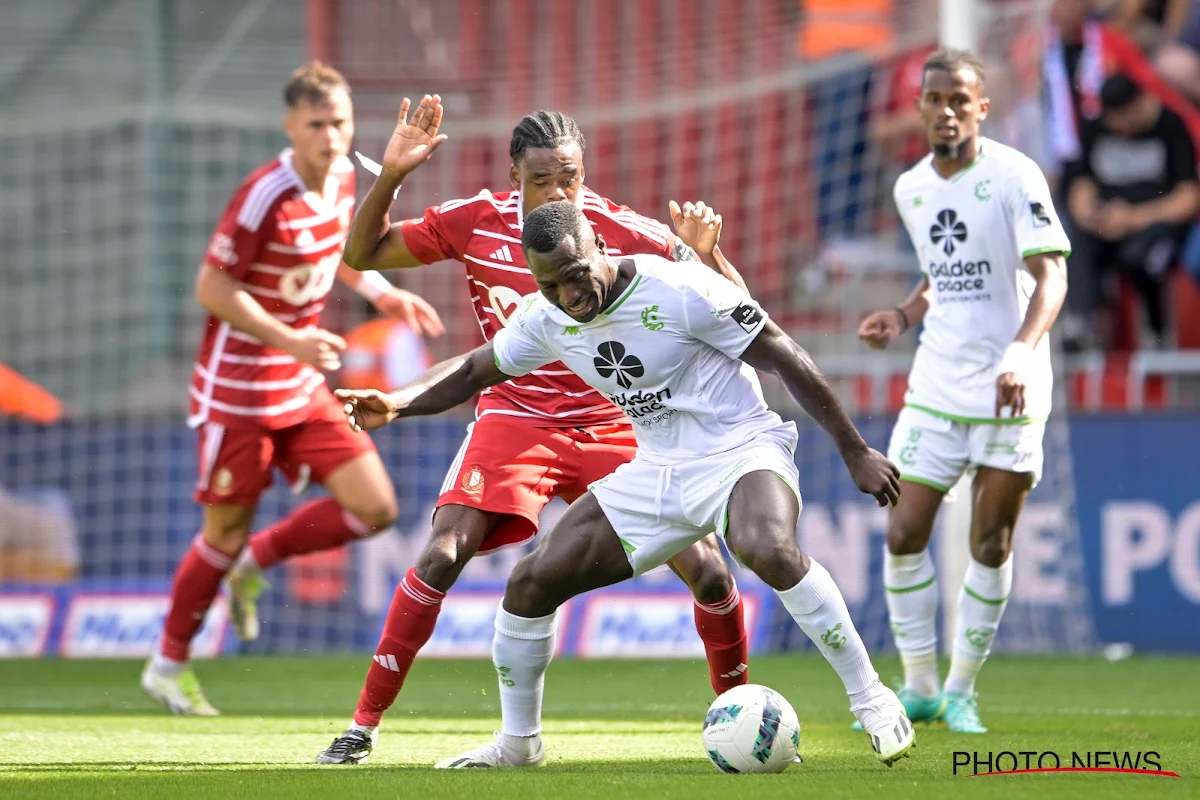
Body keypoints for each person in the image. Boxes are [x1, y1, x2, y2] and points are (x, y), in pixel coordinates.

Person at [338, 201, 915, 768]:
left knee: (766, 547)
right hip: (656, 469)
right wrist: (397, 403)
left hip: (739, 447)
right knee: (530, 585)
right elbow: (471, 371)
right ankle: (519, 744)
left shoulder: (681, 287)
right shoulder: (549, 319)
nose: (569, 296)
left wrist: (856, 450)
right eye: (549, 286)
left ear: (599, 246)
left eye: (574, 275)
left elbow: (784, 354)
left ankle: (872, 700)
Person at [314, 97, 754, 765]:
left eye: (569, 178)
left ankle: (742, 719)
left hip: (617, 419)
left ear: (585, 173)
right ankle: (362, 727)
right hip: (514, 417)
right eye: (542, 180)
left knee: (711, 573)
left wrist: (709, 255)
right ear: (513, 176)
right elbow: (362, 251)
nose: (558, 192)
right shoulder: (476, 224)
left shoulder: (616, 229)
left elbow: (738, 310)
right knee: (441, 554)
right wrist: (393, 175)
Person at [140, 62, 444, 715]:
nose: (331, 137)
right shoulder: (263, 195)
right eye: (317, 125)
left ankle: (255, 563)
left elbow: (338, 251)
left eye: (339, 122)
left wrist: (384, 291)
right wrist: (293, 341)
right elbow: (211, 289)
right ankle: (168, 664)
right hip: (238, 392)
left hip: (298, 382)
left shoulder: (342, 180)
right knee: (220, 532)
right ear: (291, 126)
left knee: (376, 509)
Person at [856, 49, 1071, 733]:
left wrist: (1018, 353)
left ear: (982, 107)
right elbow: (938, 274)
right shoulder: (912, 187)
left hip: (1012, 383)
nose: (946, 111)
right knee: (902, 529)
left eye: (960, 100)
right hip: (937, 381)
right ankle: (918, 687)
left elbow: (1051, 278)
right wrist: (903, 314)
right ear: (918, 107)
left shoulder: (1014, 175)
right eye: (935, 99)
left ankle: (961, 690)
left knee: (990, 543)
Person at [1065, 74, 1199, 349]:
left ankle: (1157, 332)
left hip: (1155, 223)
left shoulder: (1170, 125)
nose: (1117, 127)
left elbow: (1188, 198)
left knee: (1144, 259)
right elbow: (1081, 183)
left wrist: (1134, 218)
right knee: (1074, 246)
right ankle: (1080, 325)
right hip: (1107, 223)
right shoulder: (1096, 127)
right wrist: (1092, 215)